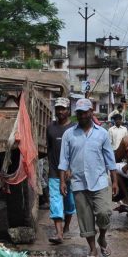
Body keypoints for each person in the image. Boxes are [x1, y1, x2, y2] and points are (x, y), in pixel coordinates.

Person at [59, 98, 120, 257]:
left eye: (85, 112)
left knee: (104, 213)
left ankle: (102, 237)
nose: (82, 116)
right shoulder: (69, 134)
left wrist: (114, 181)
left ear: (91, 112)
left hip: (99, 181)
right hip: (78, 182)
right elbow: (64, 160)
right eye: (79, 113)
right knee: (85, 219)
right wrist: (62, 181)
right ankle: (93, 249)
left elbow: (110, 160)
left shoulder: (102, 133)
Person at [45, 98, 76, 244]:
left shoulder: (74, 129)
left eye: (63, 109)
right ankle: (59, 233)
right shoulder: (50, 128)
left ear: (68, 110)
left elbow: (78, 151)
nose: (60, 111)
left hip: (71, 174)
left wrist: (72, 168)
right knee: (56, 203)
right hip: (54, 173)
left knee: (69, 203)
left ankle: (67, 227)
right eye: (58, 108)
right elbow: (49, 149)